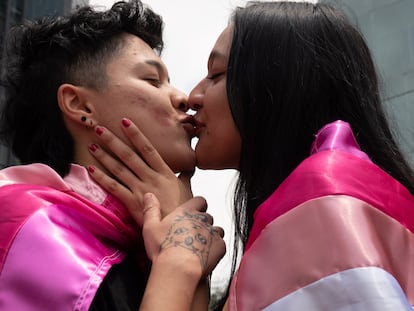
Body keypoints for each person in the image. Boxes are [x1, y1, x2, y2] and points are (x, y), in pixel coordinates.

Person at [87, 1, 414, 310]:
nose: (191, 96)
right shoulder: (329, 201)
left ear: (279, 82)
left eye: (216, 75)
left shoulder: (326, 202)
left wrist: (179, 257)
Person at [0, 0, 225, 310]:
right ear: (79, 105)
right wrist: (181, 259)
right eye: (152, 80)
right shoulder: (26, 229)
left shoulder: (142, 243)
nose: (183, 98)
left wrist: (183, 243)